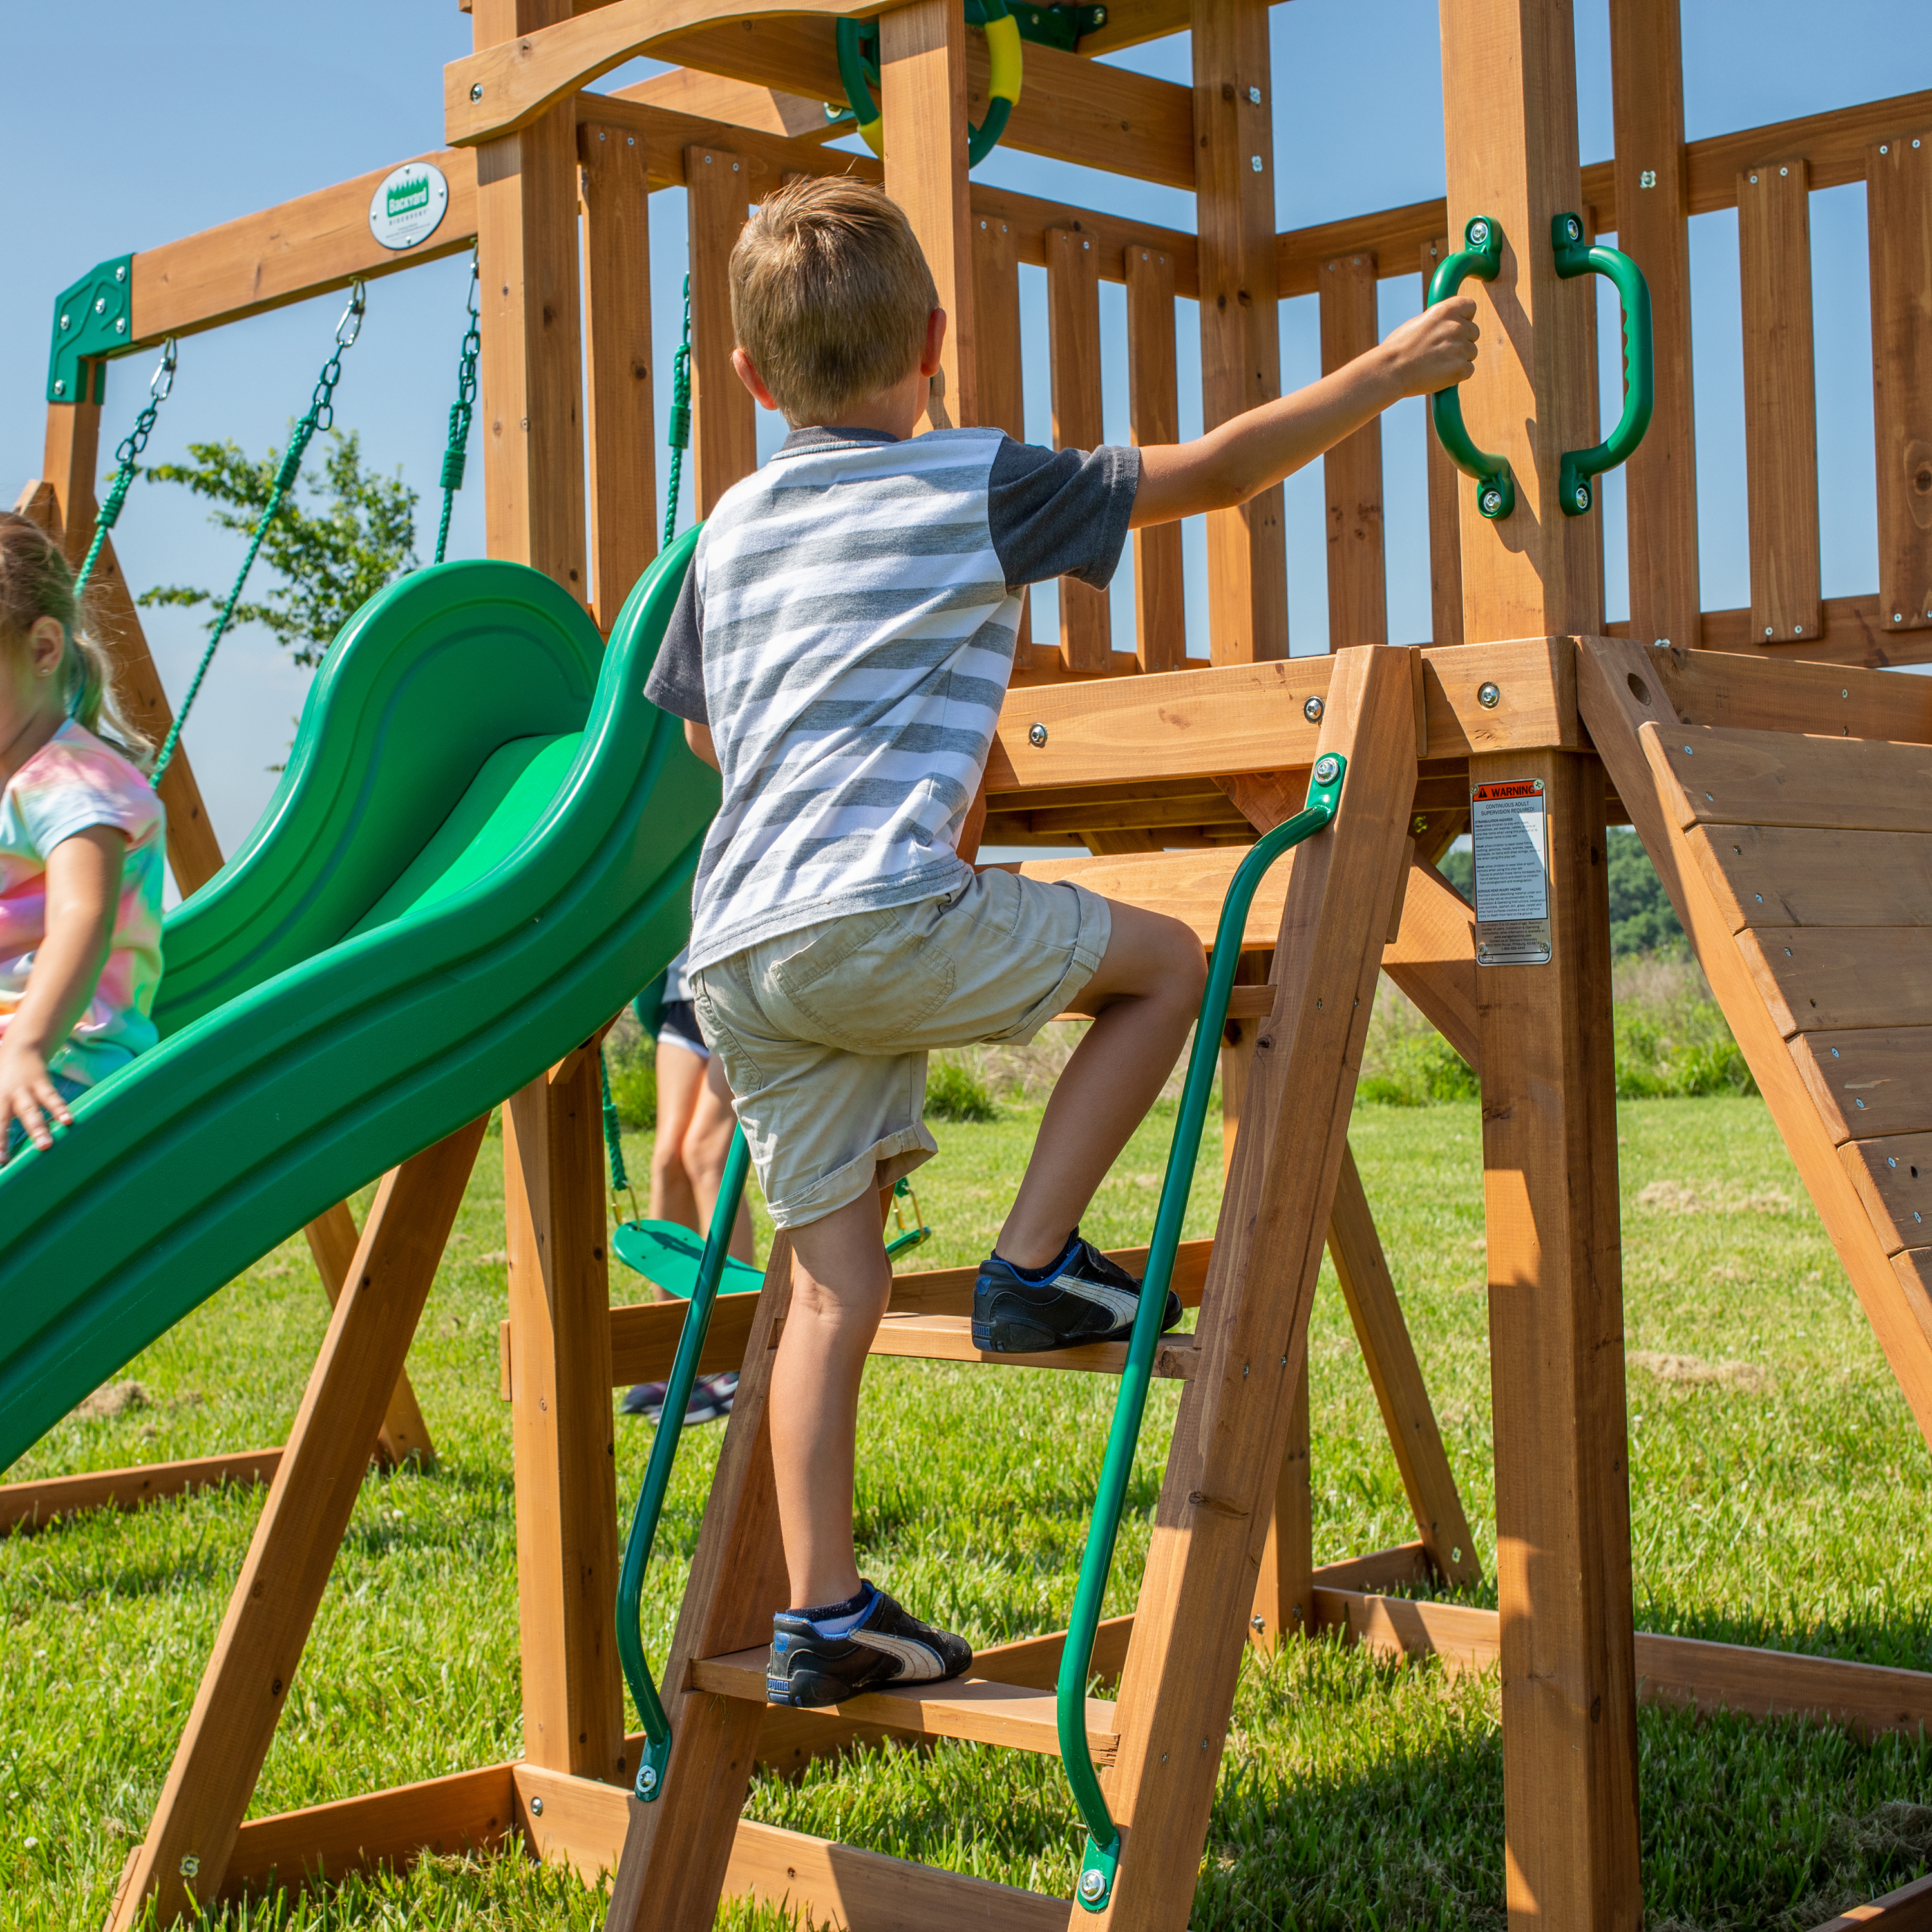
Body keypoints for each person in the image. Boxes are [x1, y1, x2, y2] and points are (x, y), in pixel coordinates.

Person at [641, 176, 1478, 1710]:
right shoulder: (969, 479)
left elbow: (701, 732)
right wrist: (1381, 374)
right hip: (873, 901)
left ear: (751, 383)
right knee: (1170, 962)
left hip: (735, 949)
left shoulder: (727, 527)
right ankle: (1034, 1261)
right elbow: (1211, 476)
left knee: (825, 1289)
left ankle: (824, 1610)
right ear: (936, 344)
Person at [0, 513, 164, 1165]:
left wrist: (29, 1048)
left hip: (63, 1065)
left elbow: (82, 913)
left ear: (43, 650)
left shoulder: (70, 780)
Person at [619, 945, 754, 1426]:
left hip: (740, 976)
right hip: (683, 985)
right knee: (667, 1161)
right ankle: (671, 1350)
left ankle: (733, 1353)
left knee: (707, 1156)